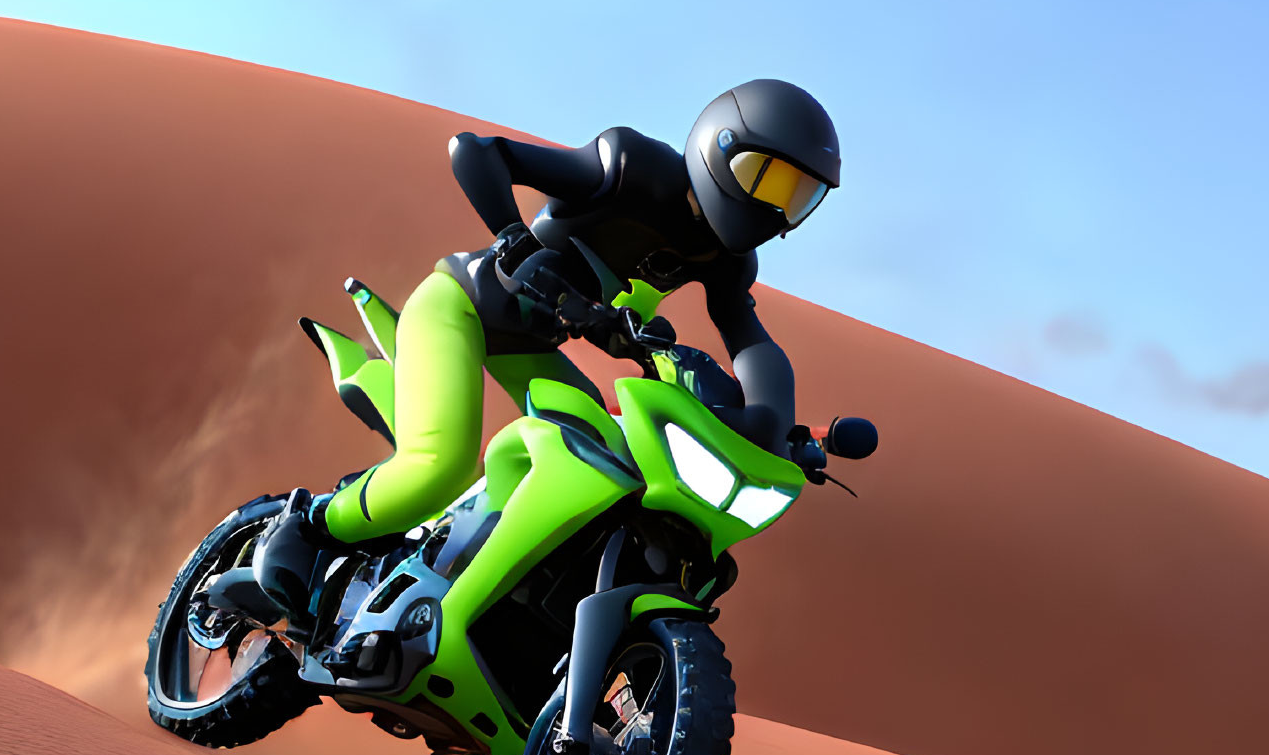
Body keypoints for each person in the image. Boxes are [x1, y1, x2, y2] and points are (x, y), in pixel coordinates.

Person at [248, 78, 840, 621]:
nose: (775, 206)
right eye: (766, 178)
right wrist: (512, 239)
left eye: (797, 195)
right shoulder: (631, 167)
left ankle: (472, 583)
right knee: (440, 467)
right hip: (463, 304)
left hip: (529, 344)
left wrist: (772, 422)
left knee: (598, 464)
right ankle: (307, 527)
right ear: (720, 146)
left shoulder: (727, 262)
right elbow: (478, 152)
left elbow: (750, 341)